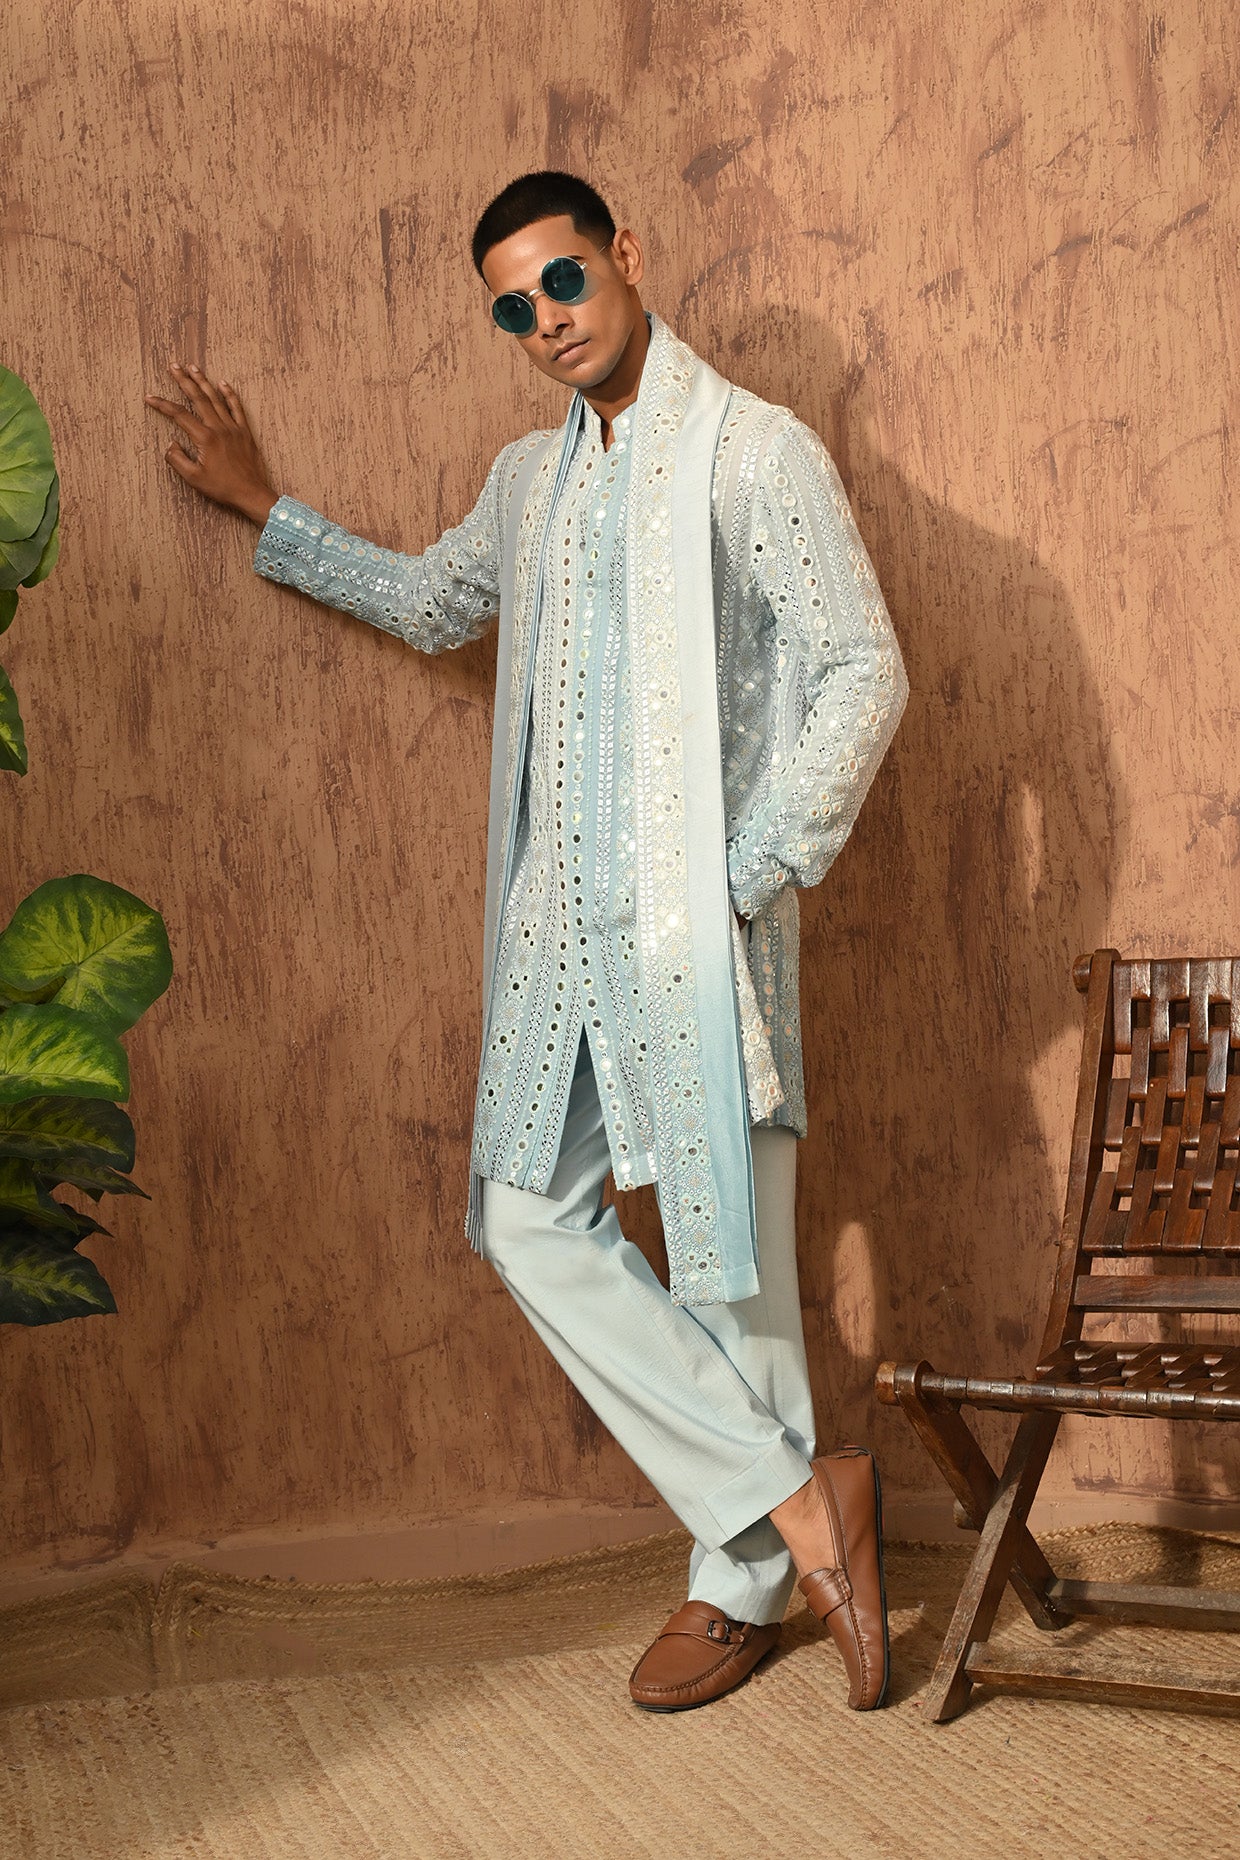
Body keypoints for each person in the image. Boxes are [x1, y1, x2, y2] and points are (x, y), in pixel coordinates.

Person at [146, 171, 907, 1714]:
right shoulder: (527, 483)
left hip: (702, 935)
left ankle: (740, 1583)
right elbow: (439, 605)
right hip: (559, 934)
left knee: (735, 1267)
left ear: (625, 255)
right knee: (522, 1217)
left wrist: (749, 874)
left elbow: (860, 670)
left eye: (563, 280)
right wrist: (262, 509)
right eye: (513, 306)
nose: (547, 320)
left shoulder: (754, 452)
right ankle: (796, 1498)